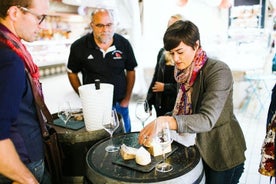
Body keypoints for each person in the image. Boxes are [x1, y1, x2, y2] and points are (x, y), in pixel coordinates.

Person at [138, 20, 246, 184]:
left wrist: (166, 121)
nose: (176, 59)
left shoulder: (218, 70)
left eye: (180, 52)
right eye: (171, 53)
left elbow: (207, 119)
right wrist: (161, 122)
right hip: (195, 148)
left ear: (196, 45)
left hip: (221, 152)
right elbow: (182, 111)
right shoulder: (183, 72)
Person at [0, 0, 52, 183]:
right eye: (39, 17)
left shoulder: (11, 46)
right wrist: (27, 179)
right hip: (20, 161)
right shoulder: (9, 59)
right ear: (14, 13)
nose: (43, 25)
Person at [67, 8, 138, 133]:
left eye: (109, 25)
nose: (105, 30)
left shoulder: (124, 44)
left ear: (114, 24)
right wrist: (83, 96)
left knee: (125, 136)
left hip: (120, 103)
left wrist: (126, 99)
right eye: (100, 25)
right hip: (94, 106)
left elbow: (131, 70)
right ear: (92, 25)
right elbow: (72, 72)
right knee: (99, 139)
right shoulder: (79, 46)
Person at [146, 14, 183, 117]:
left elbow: (187, 86)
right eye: (169, 26)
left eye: (174, 26)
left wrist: (165, 87)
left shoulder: (185, 55)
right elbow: (155, 78)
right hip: (161, 105)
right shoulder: (162, 52)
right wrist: (148, 101)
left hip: (176, 106)